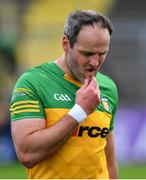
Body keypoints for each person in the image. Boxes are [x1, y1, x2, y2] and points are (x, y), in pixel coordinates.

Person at [10, 10, 119, 179]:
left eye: (102, 53)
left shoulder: (107, 87)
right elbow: (27, 154)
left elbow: (109, 161)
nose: (95, 62)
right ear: (66, 44)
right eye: (87, 53)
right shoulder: (33, 82)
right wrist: (80, 111)